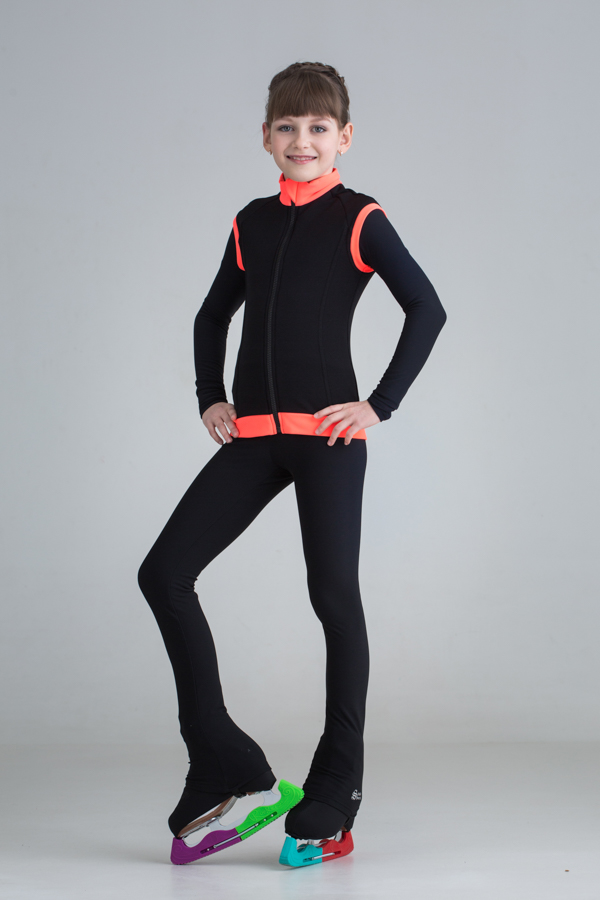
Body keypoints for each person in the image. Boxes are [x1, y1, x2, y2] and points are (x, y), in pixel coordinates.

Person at [137, 60, 447, 867]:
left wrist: (379, 403)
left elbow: (427, 307)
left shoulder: (360, 217)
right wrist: (211, 395)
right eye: (287, 126)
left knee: (332, 595)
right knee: (163, 573)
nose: (301, 140)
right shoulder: (252, 221)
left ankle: (336, 785)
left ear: (344, 137)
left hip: (327, 440)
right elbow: (212, 314)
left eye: (317, 127)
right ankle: (223, 758)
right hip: (254, 438)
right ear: (266, 137)